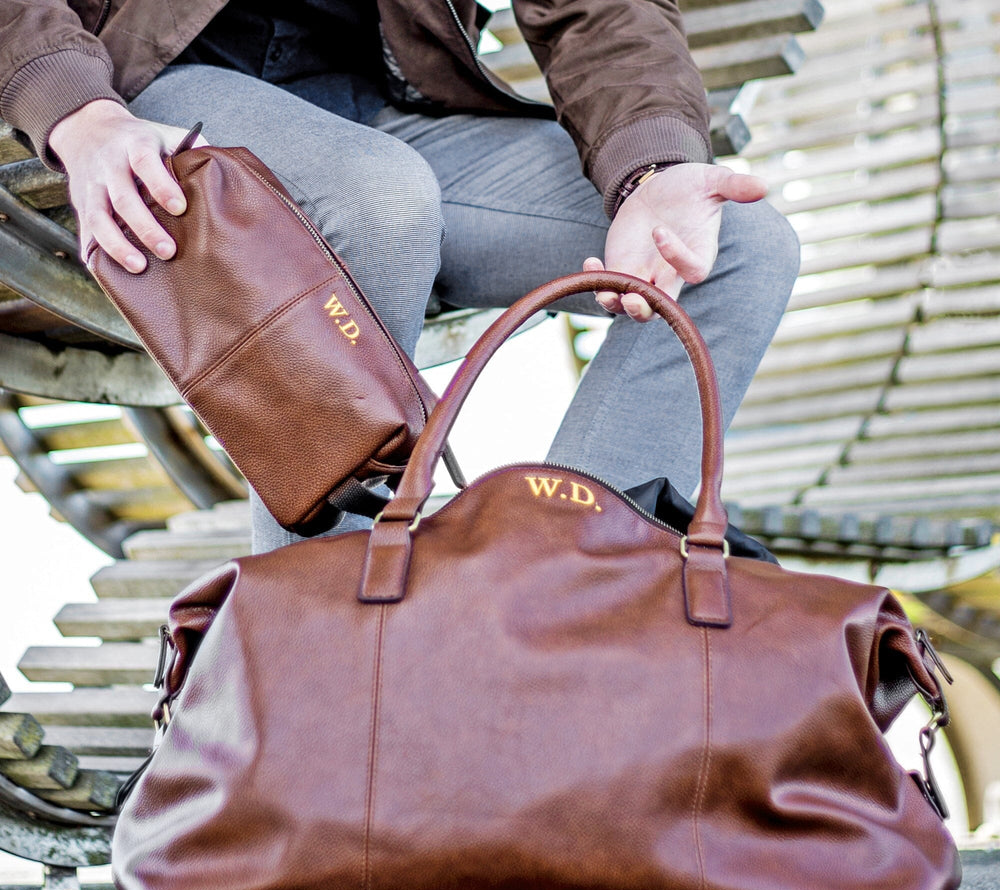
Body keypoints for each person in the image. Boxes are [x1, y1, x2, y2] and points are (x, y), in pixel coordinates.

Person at [0, 0, 799, 553]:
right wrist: (76, 109)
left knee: (732, 247)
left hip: (381, 110)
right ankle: (314, 668)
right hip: (154, 105)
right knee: (378, 200)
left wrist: (649, 168)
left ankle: (563, 602)